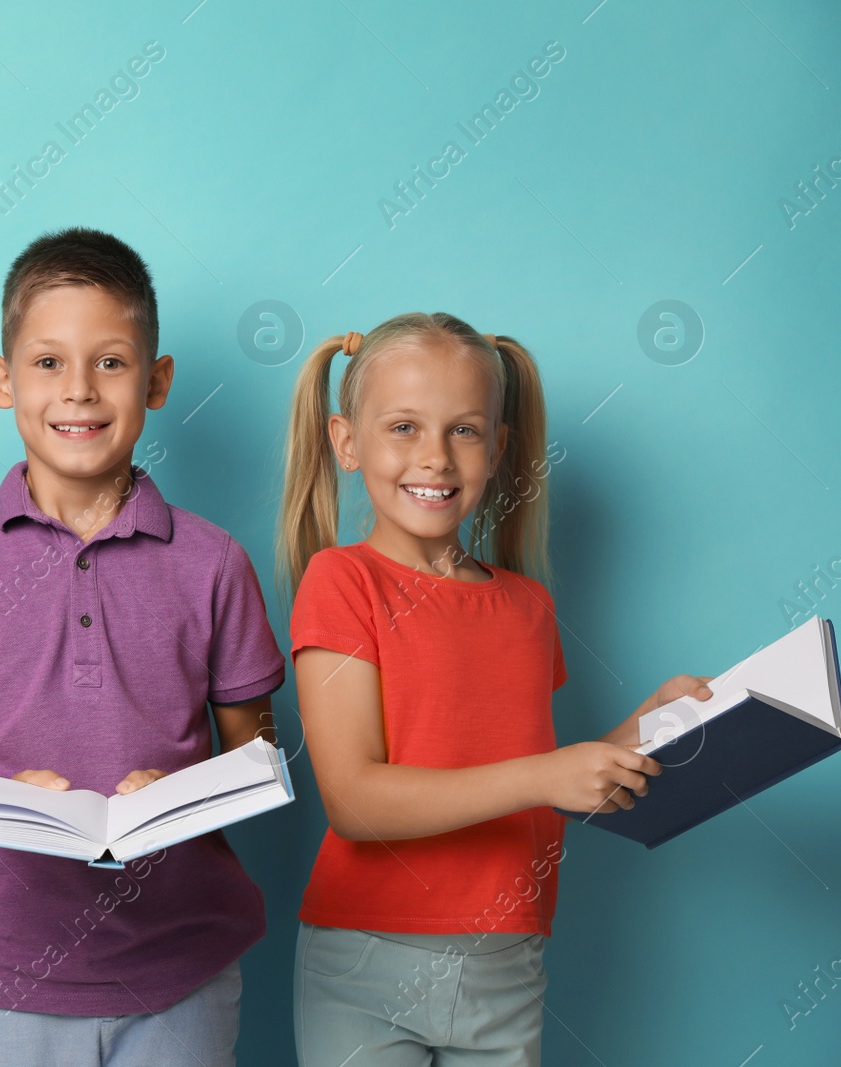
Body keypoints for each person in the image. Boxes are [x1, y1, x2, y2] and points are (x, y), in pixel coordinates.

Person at [0, 227, 286, 1066]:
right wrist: (0, 801)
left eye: (112, 362)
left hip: (184, 970)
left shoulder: (214, 561)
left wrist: (177, 794)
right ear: (2, 379)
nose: (80, 391)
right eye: (48, 362)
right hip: (11, 970)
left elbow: (261, 757)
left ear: (157, 380)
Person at [277, 316, 712, 1065]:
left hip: (507, 961)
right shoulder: (342, 582)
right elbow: (353, 799)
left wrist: (642, 728)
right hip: (367, 959)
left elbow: (542, 777)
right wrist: (549, 772)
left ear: (499, 447)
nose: (435, 458)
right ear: (346, 442)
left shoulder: (527, 606)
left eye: (466, 431)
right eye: (404, 427)